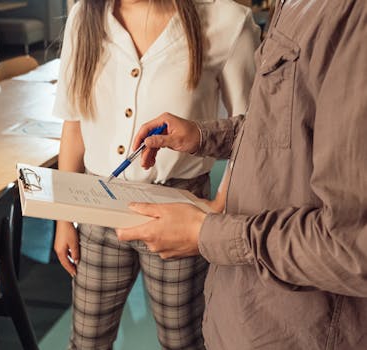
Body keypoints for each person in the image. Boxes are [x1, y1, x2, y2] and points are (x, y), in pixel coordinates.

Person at [117, 0, 367, 349]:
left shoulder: (351, 17)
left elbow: (351, 248)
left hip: (294, 329)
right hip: (242, 315)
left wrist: (205, 232)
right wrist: (205, 136)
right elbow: (290, 127)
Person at [52, 0, 260, 349]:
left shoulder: (228, 21)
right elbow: (74, 127)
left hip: (179, 209)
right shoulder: (84, 17)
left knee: (183, 340)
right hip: (97, 206)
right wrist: (63, 220)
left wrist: (219, 206)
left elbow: (253, 133)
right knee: (86, 341)